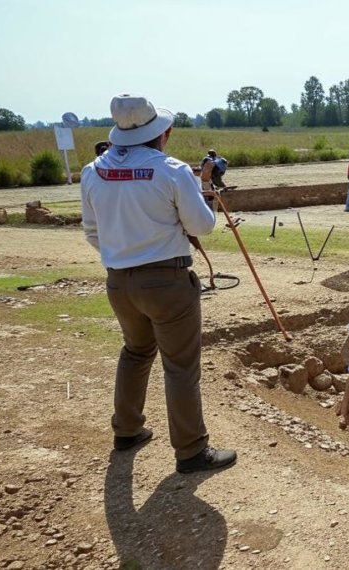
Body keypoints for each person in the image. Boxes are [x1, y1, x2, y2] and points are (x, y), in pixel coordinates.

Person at [80, 93, 236, 474]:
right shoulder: (171, 170)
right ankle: (191, 450)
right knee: (180, 367)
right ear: (161, 134)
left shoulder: (92, 171)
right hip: (166, 280)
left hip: (119, 281)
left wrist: (122, 254)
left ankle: (127, 429)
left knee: (135, 352)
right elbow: (202, 226)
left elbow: (92, 231)